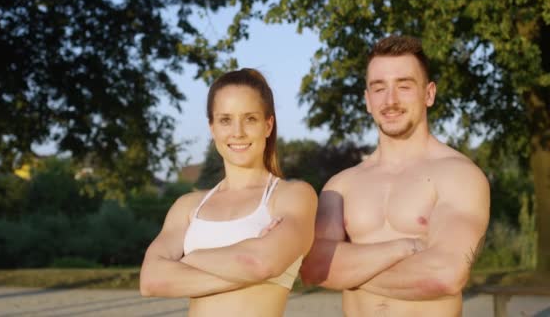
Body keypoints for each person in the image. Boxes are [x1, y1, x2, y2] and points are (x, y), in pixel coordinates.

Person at [299, 35, 490, 316]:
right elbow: (313, 267)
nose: (390, 100)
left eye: (404, 86)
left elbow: (445, 274)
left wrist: (346, 271)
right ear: (366, 100)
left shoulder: (459, 176)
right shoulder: (340, 186)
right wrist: (406, 247)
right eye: (379, 88)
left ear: (429, 93)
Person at [140, 68, 317, 316]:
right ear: (212, 128)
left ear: (268, 125)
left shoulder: (293, 196)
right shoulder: (188, 206)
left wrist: (188, 260)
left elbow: (260, 263)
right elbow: (151, 280)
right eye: (225, 120)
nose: (238, 132)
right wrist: (248, 263)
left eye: (250, 119)